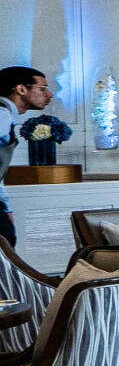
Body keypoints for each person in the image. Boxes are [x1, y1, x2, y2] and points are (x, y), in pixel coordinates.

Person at [0, 65, 51, 249]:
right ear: (21, 89)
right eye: (42, 89)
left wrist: (6, 207)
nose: (49, 95)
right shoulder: (2, 115)